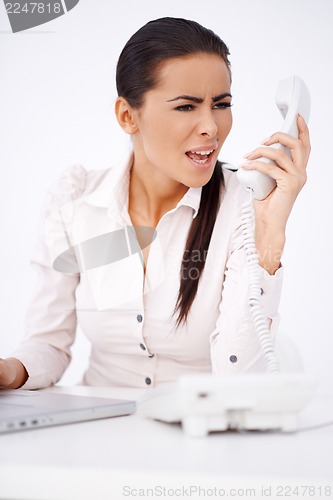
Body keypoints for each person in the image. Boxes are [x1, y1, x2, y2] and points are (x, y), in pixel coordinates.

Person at [0, 17, 310, 390]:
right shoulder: (75, 197)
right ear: (128, 116)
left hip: (201, 432)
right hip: (98, 429)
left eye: (221, 104)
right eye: (186, 107)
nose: (211, 126)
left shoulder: (246, 208)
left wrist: (268, 232)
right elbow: (47, 343)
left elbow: (240, 380)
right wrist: (10, 371)